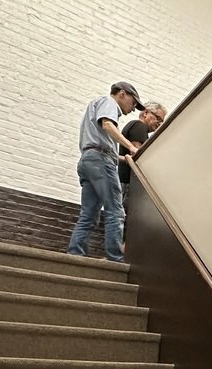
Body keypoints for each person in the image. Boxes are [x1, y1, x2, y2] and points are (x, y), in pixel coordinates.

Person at [66, 82, 145, 262]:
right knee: (116, 211)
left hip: (88, 160)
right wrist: (131, 147)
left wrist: (123, 158)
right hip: (101, 161)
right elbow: (107, 125)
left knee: (88, 214)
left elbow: (99, 143)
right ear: (122, 94)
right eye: (133, 103)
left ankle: (75, 255)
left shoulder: (96, 105)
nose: (133, 109)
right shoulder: (109, 102)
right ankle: (115, 259)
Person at [118, 102, 167, 188]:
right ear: (146, 113)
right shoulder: (139, 126)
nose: (159, 123)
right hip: (125, 181)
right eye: (158, 118)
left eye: (161, 121)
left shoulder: (136, 126)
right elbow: (139, 157)